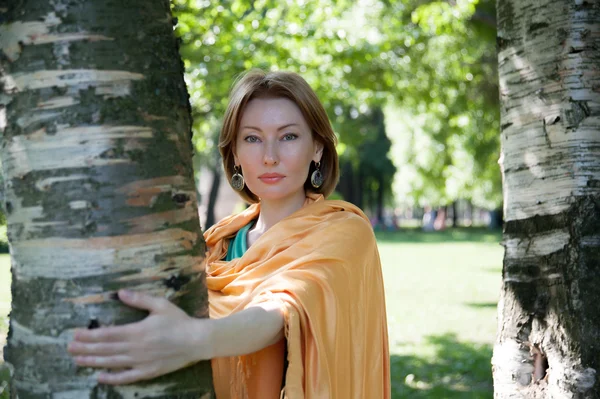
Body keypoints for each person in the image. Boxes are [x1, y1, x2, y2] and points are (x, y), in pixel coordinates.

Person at [68, 70, 390, 398]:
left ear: (317, 148)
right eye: (252, 138)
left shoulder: (345, 231)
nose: (270, 156)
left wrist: (191, 339)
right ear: (234, 153)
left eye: (289, 136)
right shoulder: (215, 245)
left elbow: (280, 310)